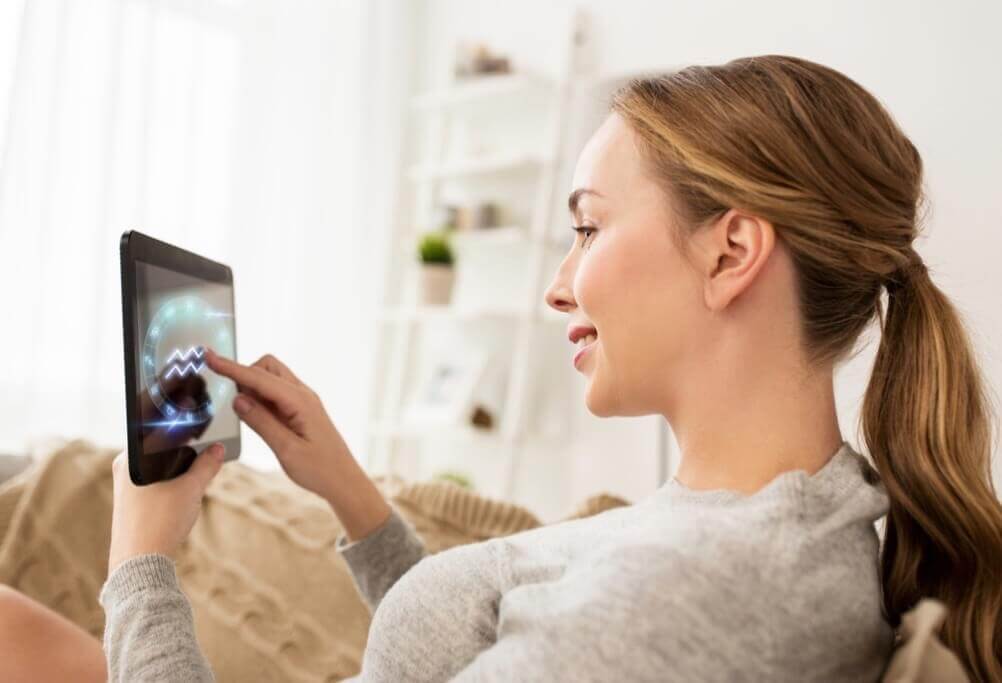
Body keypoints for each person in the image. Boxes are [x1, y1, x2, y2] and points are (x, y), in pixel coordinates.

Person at [3, 54, 1000, 682]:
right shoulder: (779, 508)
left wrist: (141, 558)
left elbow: (593, 633)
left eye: (588, 229)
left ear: (731, 252)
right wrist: (352, 493)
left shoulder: (690, 599)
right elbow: (505, 630)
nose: (559, 287)